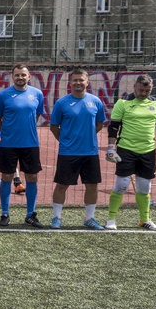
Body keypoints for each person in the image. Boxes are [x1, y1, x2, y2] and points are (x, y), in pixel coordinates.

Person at [105, 74, 156, 230]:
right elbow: (114, 127)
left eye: (147, 91)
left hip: (148, 150)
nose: (144, 94)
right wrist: (110, 148)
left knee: (144, 187)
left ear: (151, 89)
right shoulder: (123, 103)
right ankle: (111, 219)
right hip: (126, 149)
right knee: (122, 184)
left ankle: (144, 220)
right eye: (141, 90)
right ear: (134, 87)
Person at [48, 69, 107, 229]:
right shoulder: (62, 103)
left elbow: (100, 123)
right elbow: (54, 126)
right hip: (68, 152)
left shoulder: (95, 102)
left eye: (81, 80)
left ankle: (89, 218)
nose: (78, 83)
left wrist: (87, 136)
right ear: (70, 83)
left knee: (92, 185)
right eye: (75, 80)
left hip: (90, 152)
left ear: (87, 82)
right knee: (61, 185)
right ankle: (56, 217)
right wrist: (66, 140)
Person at [0, 64, 46, 227]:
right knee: (7, 177)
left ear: (29, 77)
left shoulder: (37, 94)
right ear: (12, 77)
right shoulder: (3, 95)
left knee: (32, 177)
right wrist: (7, 132)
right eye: (17, 75)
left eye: (23, 75)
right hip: (9, 144)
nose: (20, 78)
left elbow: (36, 115)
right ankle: (5, 213)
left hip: (30, 143)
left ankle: (30, 214)